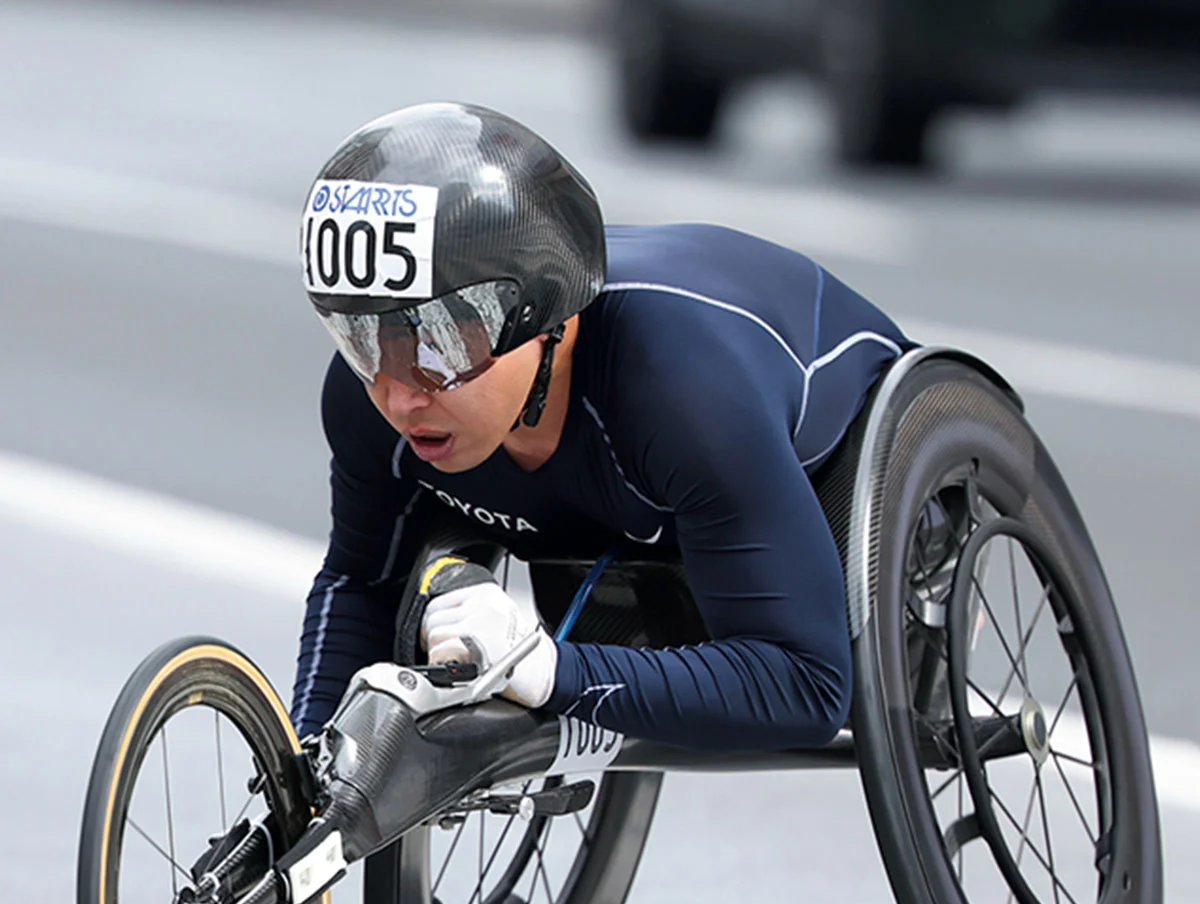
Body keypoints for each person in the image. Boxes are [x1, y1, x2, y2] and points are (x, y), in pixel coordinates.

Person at [291, 101, 913, 754]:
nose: (396, 397)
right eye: (363, 340)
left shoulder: (684, 388)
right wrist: (308, 771)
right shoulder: (364, 400)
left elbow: (806, 689)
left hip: (833, 440)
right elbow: (360, 585)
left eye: (441, 348)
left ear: (544, 321)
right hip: (628, 486)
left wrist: (546, 669)